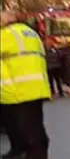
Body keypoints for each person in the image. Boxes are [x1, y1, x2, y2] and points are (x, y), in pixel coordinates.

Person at [1, 11, 51, 159]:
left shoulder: (7, 34)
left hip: (19, 90)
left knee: (29, 132)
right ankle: (19, 151)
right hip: (32, 87)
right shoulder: (30, 33)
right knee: (28, 128)